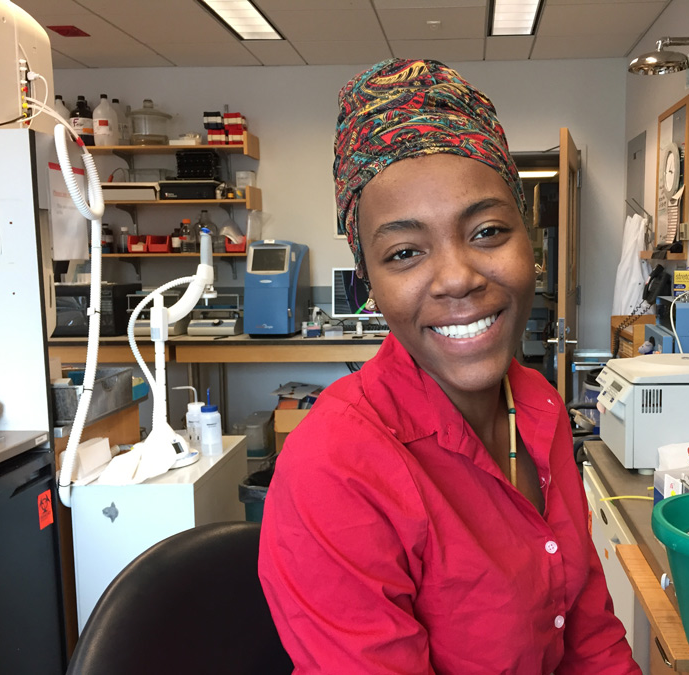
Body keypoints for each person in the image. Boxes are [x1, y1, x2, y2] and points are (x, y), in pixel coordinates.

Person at [259, 58, 641, 675]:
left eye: (487, 232)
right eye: (405, 252)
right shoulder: (334, 470)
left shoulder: (539, 405)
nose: (459, 277)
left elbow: (589, 636)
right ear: (370, 282)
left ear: (530, 243)